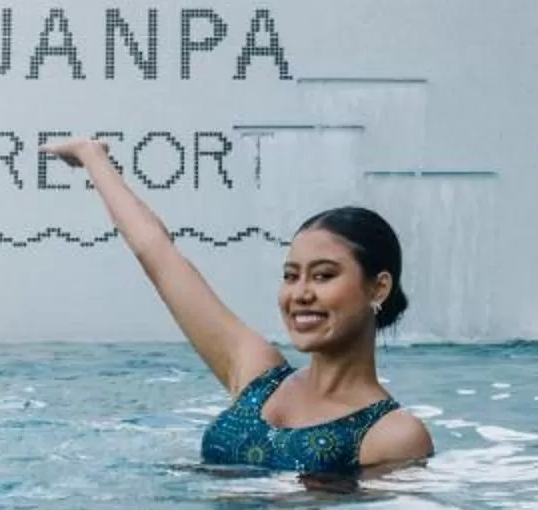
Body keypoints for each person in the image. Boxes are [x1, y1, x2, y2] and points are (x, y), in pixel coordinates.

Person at [48, 136, 434, 475]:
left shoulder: (392, 435)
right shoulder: (256, 375)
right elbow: (159, 256)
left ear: (378, 288)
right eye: (290, 275)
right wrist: (93, 157)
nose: (299, 294)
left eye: (323, 275)